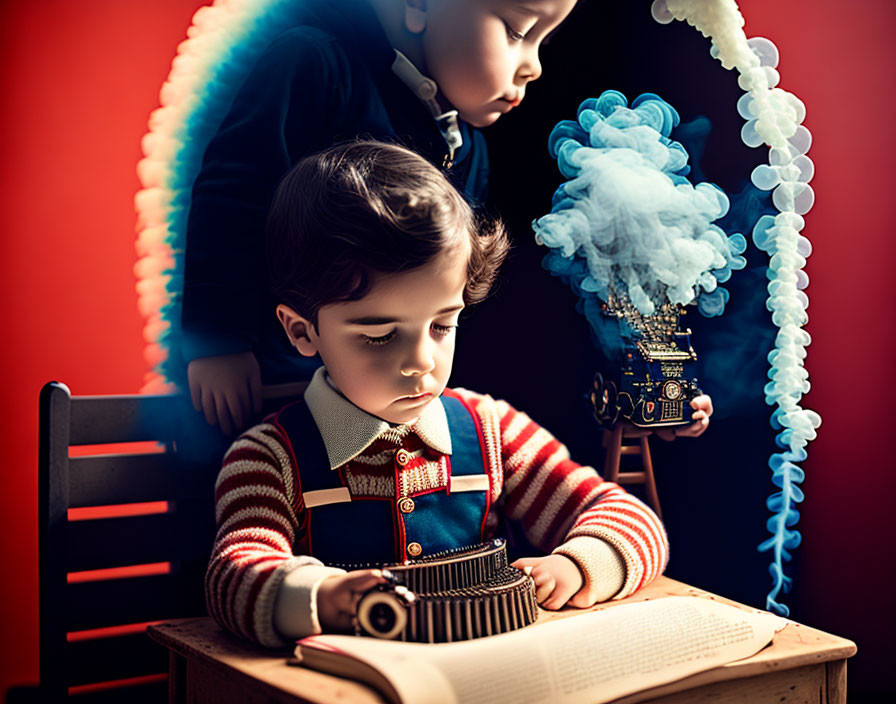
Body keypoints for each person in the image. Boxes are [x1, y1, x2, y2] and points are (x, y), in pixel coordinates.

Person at [204, 141, 696, 647]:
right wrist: (325, 597)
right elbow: (233, 578)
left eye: (442, 325)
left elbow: (633, 520)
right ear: (303, 331)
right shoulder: (268, 460)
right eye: (378, 335)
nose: (421, 361)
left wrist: (578, 566)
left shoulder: (493, 432)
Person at [181, 0, 579, 435]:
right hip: (272, 376)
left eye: (546, 38)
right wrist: (218, 342)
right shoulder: (316, 65)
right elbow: (234, 194)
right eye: (517, 31)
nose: (534, 67)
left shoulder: (468, 147)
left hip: (386, 396)